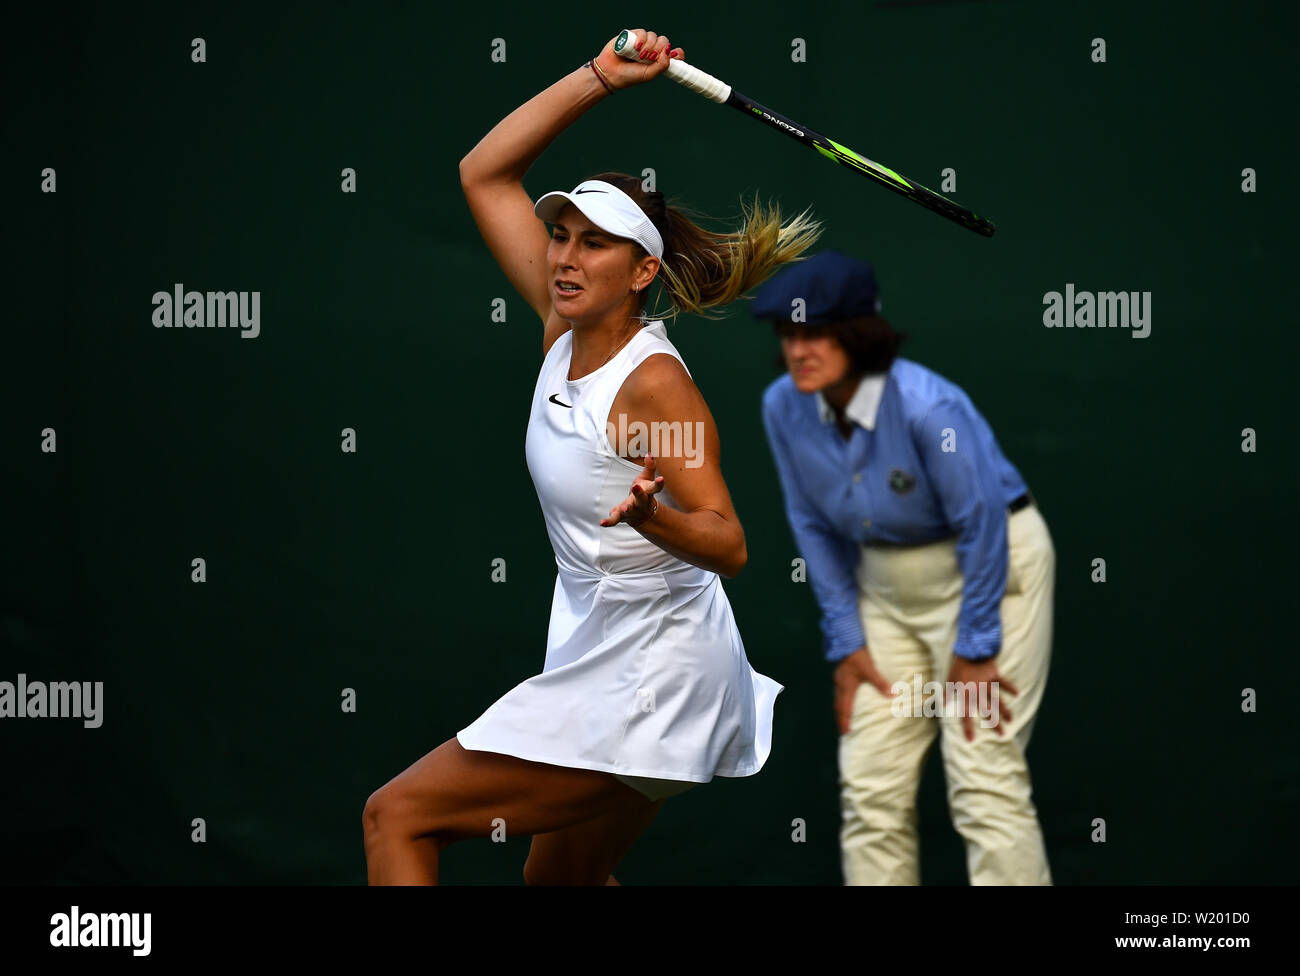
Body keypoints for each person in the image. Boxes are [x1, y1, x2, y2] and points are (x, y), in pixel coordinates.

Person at [362, 29, 823, 885]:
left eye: (594, 243)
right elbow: (483, 174)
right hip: (612, 654)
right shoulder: (561, 324)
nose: (567, 257)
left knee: (396, 817)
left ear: (642, 270)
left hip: (656, 675)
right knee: (559, 884)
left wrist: (655, 517)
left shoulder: (653, 389)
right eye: (561, 235)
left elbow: (728, 541)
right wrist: (600, 78)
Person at [756, 251, 1055, 885]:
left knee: (984, 779)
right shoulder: (783, 406)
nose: (798, 350)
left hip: (990, 579)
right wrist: (848, 641)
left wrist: (977, 646)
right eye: (788, 335)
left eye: (816, 333)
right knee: (870, 788)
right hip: (884, 591)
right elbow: (811, 523)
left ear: (860, 334)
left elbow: (981, 524)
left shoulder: (928, 407)